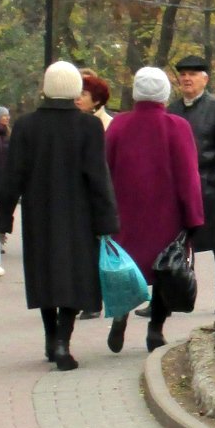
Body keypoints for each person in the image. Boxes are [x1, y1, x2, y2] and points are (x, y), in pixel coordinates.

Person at [0, 61, 119, 371]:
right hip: (79, 216)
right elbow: (98, 178)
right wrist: (107, 221)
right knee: (75, 278)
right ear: (75, 89)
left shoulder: (25, 126)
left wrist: (3, 218)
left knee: (44, 275)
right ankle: (63, 340)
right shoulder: (88, 127)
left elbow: (13, 177)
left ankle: (51, 339)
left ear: (46, 89)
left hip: (39, 214)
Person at [104, 67, 204, 353]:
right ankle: (155, 329)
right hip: (166, 214)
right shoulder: (177, 127)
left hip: (124, 213)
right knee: (164, 268)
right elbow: (188, 175)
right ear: (164, 93)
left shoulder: (119, 126)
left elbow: (105, 169)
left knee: (127, 266)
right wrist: (193, 216)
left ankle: (121, 315)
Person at [167, 54, 215, 259]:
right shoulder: (172, 111)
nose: (186, 79)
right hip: (176, 190)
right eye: (183, 74)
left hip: (206, 190)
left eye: (192, 74)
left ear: (205, 79)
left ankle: (206, 289)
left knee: (205, 249)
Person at [75, 73, 115, 319]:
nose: (78, 99)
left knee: (97, 249)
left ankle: (94, 300)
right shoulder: (73, 122)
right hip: (79, 195)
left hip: (100, 193)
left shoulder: (108, 125)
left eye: (84, 95)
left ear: (97, 100)